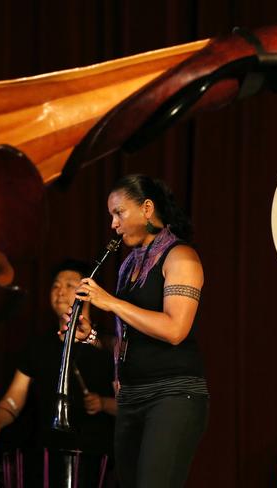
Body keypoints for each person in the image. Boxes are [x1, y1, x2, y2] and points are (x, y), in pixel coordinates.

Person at [73, 174, 209, 487]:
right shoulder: (127, 266)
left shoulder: (181, 257)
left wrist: (110, 303)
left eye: (118, 213)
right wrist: (91, 335)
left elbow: (175, 329)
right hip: (132, 399)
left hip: (173, 396)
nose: (113, 225)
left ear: (147, 208)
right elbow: (130, 341)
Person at [0, 259, 117, 485]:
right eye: (55, 286)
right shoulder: (38, 347)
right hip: (47, 457)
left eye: (69, 285)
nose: (60, 291)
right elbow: (14, 398)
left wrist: (103, 403)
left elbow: (131, 405)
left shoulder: (107, 346)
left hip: (96, 458)